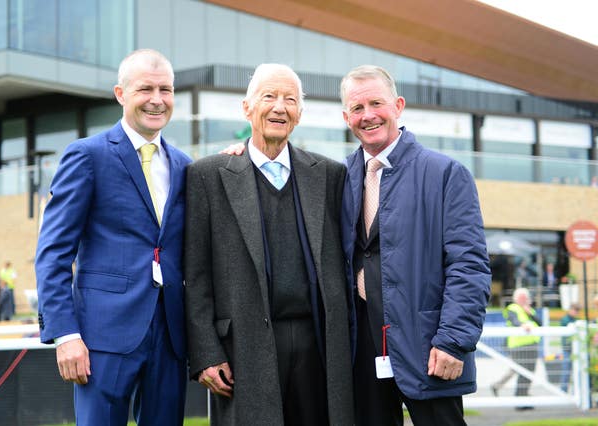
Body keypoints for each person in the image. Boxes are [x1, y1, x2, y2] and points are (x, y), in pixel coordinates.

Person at [184, 63, 354, 425]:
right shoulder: (208, 176)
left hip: (318, 345)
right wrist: (205, 353)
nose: (280, 107)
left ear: (300, 114)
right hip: (243, 347)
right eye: (269, 96)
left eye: (290, 100)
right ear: (247, 108)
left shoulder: (330, 175)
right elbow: (195, 275)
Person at [35, 48, 190, 426]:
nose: (157, 100)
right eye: (146, 89)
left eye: (166, 90)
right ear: (120, 94)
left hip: (170, 337)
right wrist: (64, 334)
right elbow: (52, 253)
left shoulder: (186, 166)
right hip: (100, 339)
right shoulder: (86, 156)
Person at [340, 65, 491, 426]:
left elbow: (468, 265)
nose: (368, 116)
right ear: (346, 117)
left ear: (398, 106)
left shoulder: (445, 174)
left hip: (429, 347)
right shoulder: (339, 177)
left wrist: (454, 341)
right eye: (357, 109)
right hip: (361, 353)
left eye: (376, 103)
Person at [490, 288, 541, 409]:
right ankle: (520, 399)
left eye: (525, 297)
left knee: (523, 371)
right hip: (517, 346)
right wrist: (523, 325)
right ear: (516, 298)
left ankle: (501, 387)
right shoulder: (512, 308)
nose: (524, 300)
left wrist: (529, 313)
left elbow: (540, 323)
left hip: (531, 345)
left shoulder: (530, 310)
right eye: (521, 298)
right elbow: (514, 321)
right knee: (521, 371)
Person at [559, 302, 580, 392]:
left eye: (577, 311)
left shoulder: (576, 320)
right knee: (566, 371)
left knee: (577, 371)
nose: (575, 312)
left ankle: (576, 391)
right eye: (574, 310)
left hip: (576, 350)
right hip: (567, 349)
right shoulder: (565, 319)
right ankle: (563, 391)